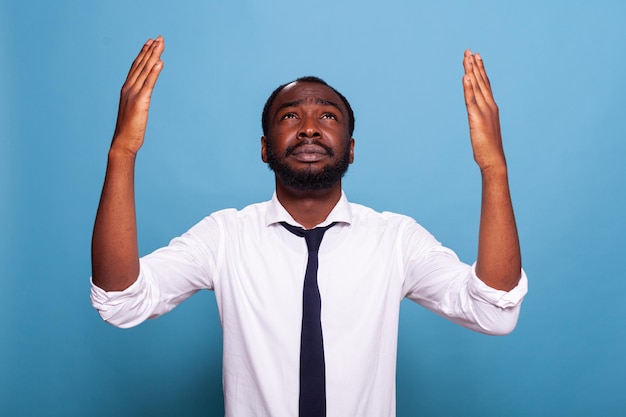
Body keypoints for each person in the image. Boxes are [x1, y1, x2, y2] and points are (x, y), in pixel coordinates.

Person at [91, 36, 528, 417]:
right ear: (265, 149)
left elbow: (493, 311)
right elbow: (121, 302)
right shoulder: (224, 236)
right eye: (289, 117)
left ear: (351, 149)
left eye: (328, 117)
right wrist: (122, 153)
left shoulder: (395, 239)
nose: (309, 130)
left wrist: (494, 168)